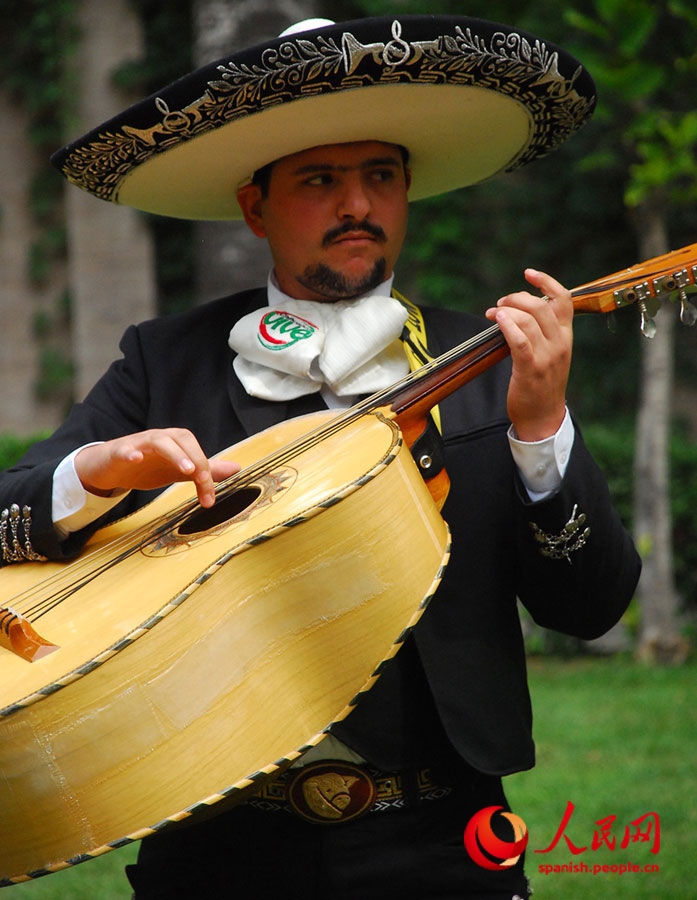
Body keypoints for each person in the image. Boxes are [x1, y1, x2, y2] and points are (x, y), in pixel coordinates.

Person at [1, 15, 640, 900]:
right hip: (215, 843)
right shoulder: (166, 359)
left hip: (441, 841)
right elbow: (9, 511)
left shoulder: (494, 362)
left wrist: (540, 431)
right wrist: (99, 472)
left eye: (380, 176)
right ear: (254, 205)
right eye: (319, 180)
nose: (357, 205)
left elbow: (591, 607)